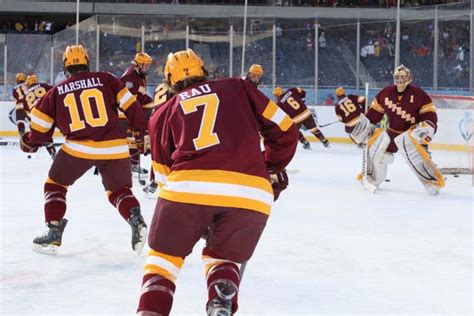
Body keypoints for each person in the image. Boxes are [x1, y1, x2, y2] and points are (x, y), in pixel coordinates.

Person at [137, 49, 298, 315]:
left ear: (168, 80)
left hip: (186, 189)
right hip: (251, 193)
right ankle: (221, 290)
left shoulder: (162, 113)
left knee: (163, 261)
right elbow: (285, 130)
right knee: (223, 258)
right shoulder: (238, 86)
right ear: (204, 69)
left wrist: (193, 217)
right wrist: (268, 166)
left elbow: (164, 176)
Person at [20, 45, 148, 255]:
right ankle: (135, 218)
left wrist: (29, 141)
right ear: (87, 63)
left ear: (65, 67)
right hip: (115, 146)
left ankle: (53, 232)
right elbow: (131, 106)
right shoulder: (106, 78)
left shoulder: (56, 91)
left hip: (78, 149)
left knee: (55, 185)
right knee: (119, 191)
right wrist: (139, 131)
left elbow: (40, 132)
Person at [349, 65, 444, 195]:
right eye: (397, 77)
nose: (400, 80)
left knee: (417, 158)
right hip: (391, 132)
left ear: (409, 78)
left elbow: (429, 114)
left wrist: (427, 127)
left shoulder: (419, 94)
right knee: (375, 149)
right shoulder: (386, 93)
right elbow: (374, 114)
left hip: (410, 134)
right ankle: (372, 178)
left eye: (403, 77)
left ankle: (431, 183)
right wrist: (365, 126)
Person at [120, 52, 154, 176]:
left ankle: (133, 164)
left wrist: (151, 103)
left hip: (133, 110)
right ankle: (127, 165)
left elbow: (141, 95)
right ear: (138, 65)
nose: (148, 68)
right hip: (125, 114)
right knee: (131, 139)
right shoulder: (130, 78)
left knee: (135, 139)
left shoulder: (139, 74)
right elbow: (128, 102)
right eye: (146, 66)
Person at [142, 79, 175, 197]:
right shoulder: (174, 87)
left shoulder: (159, 87)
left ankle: (154, 181)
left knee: (157, 154)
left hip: (154, 121)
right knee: (170, 152)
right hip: (167, 121)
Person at [12, 72, 28, 136]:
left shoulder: (15, 88)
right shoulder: (28, 85)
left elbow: (15, 97)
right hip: (28, 105)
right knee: (33, 122)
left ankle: (22, 134)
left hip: (19, 106)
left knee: (20, 121)